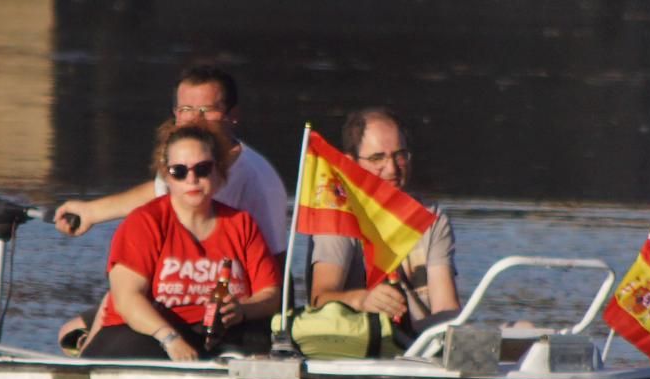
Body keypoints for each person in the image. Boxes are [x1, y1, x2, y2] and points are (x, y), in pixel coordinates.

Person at [81, 124, 282, 360]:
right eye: (179, 171)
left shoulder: (242, 224)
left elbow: (270, 295)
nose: (192, 179)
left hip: (219, 334)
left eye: (203, 169)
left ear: (219, 171)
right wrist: (169, 338)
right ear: (166, 176)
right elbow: (127, 298)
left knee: (261, 344)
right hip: (148, 333)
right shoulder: (144, 222)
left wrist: (242, 310)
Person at [54, 64, 288, 259]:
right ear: (176, 114)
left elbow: (274, 263)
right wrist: (91, 212)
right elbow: (158, 193)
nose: (196, 119)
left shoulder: (257, 178)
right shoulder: (180, 154)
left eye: (207, 110)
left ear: (233, 115)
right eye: (187, 109)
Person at [307, 108, 459, 330]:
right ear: (350, 164)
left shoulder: (433, 218)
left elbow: (446, 310)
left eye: (400, 155)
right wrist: (362, 300)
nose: (392, 168)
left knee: (521, 327)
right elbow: (319, 300)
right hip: (358, 345)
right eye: (378, 158)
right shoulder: (337, 217)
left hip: (422, 347)